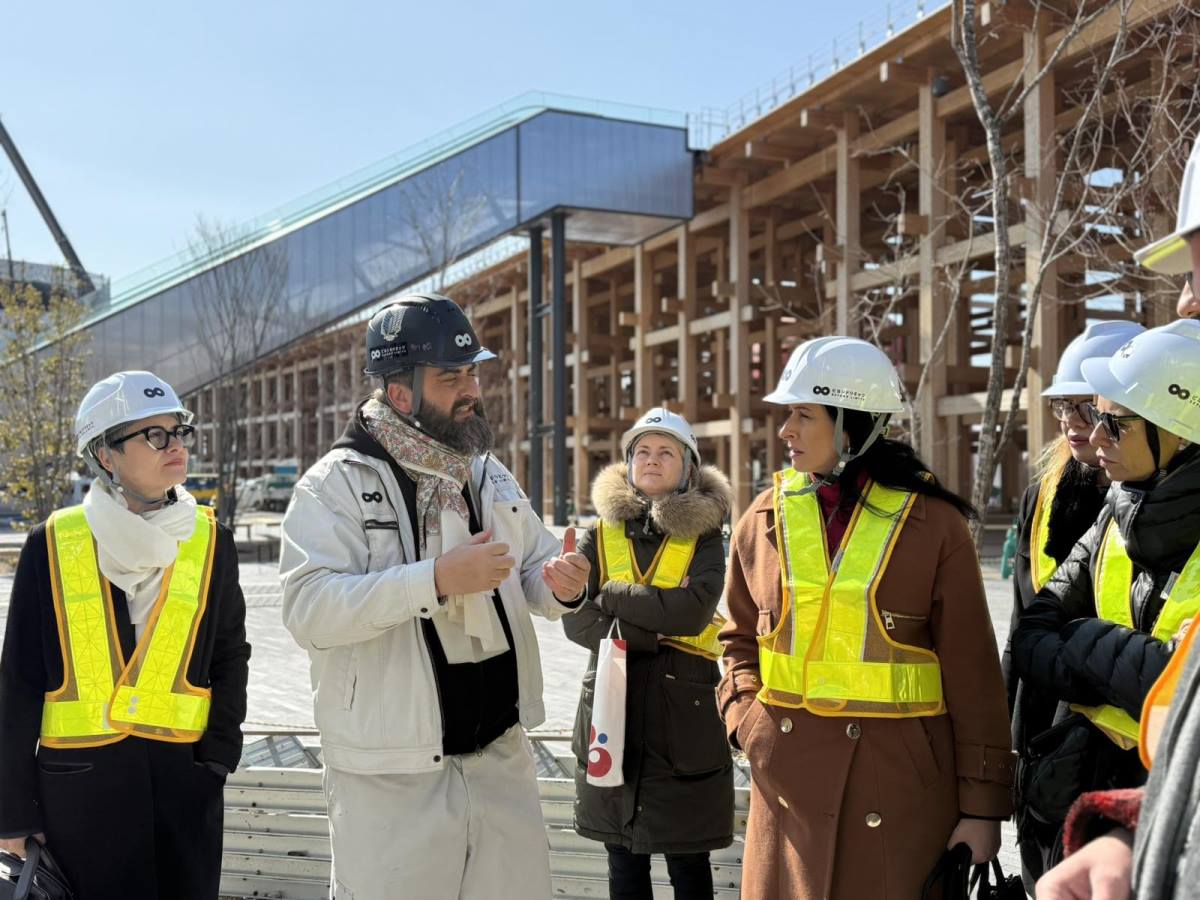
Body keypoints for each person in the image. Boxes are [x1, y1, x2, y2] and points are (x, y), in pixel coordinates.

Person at [279, 292, 591, 900]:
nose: (470, 387)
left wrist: (562, 582)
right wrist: (436, 581)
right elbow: (308, 609)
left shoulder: (485, 471)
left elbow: (534, 565)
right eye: (451, 376)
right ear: (400, 393)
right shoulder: (333, 485)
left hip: (501, 759)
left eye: (473, 370)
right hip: (393, 776)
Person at [717, 336, 1014, 900]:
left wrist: (983, 809)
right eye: (788, 414)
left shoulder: (935, 525)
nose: (786, 431)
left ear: (851, 425)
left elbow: (973, 676)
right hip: (783, 781)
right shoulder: (761, 516)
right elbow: (735, 640)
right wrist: (747, 722)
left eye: (804, 415)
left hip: (898, 795)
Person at [0, 371, 250, 900]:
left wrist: (217, 761)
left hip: (185, 792)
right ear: (106, 455)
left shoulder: (211, 541)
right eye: (153, 435)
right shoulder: (53, 542)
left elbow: (231, 654)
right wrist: (14, 813)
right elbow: (18, 681)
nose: (174, 445)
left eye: (178, 431)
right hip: (80, 800)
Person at [1034, 139, 1200, 900]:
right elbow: (1033, 627)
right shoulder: (1106, 510)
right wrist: (1137, 838)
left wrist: (1085, 649)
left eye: (1109, 421)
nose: (1187, 302)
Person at [563, 407, 734, 900]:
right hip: (610, 713)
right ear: (629, 462)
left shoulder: (705, 534)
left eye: (665, 452)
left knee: (688, 860)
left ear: (688, 466)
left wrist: (611, 595)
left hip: (681, 719)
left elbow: (693, 612)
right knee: (623, 859)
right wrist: (652, 630)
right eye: (642, 451)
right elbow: (576, 620)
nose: (652, 460)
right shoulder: (598, 533)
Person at [1004, 320, 1144, 886]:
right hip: (1047, 743)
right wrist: (1004, 752)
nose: (1072, 425)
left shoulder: (1143, 499)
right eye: (1062, 407)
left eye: (1087, 408)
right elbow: (1021, 625)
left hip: (1123, 744)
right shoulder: (1044, 493)